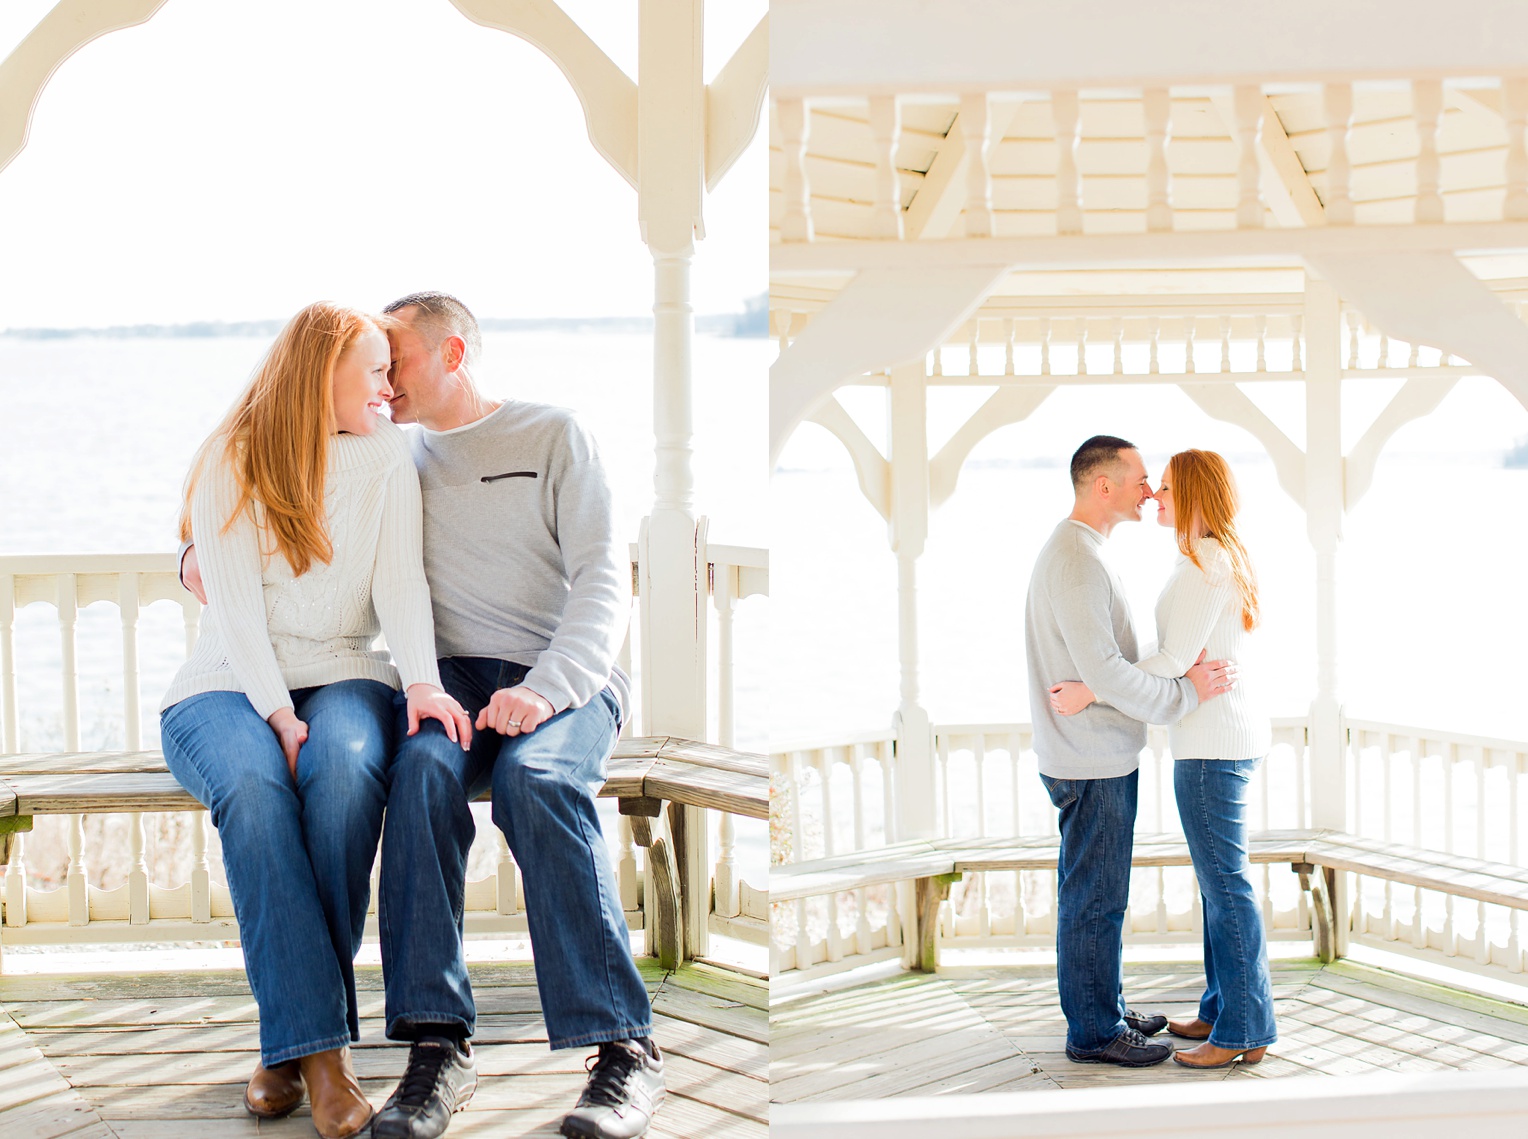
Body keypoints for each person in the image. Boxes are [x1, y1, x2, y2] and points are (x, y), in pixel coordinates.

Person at [183, 292, 661, 1139]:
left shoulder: (555, 435)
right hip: (451, 683)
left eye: (395, 360)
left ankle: (623, 1049)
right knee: (421, 776)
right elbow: (272, 490)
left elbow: (601, 582)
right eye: (375, 366)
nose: (385, 382)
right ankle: (437, 1044)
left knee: (538, 780)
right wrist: (192, 557)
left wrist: (547, 687)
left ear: (452, 355)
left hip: (561, 678)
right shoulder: (391, 449)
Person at [160, 302, 471, 1139]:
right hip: (226, 681)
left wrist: (423, 684)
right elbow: (230, 608)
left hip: (343, 670)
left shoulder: (384, 456)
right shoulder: (233, 453)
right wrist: (272, 711)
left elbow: (401, 583)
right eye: (373, 370)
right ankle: (322, 1056)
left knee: (341, 778)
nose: (386, 386)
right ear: (320, 374)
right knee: (257, 794)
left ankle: (285, 1042)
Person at [1049, 449, 1276, 1069]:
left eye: (1168, 488)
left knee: (1226, 887)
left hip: (1213, 747)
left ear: (1196, 497)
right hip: (1210, 741)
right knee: (1218, 886)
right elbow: (1175, 651)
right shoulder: (1201, 559)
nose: (1156, 496)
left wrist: (1095, 687)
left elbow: (1174, 662)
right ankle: (1221, 1008)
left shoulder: (1206, 561)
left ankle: (1243, 1031)